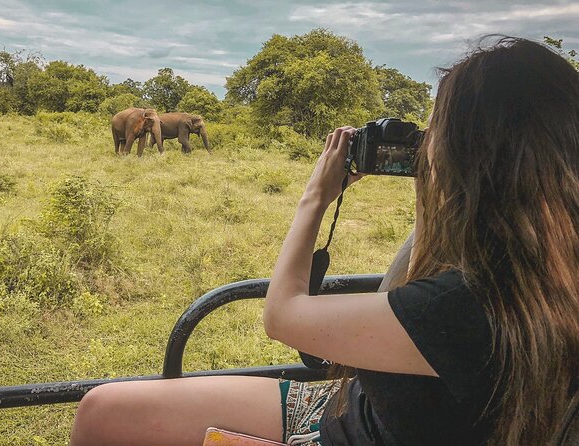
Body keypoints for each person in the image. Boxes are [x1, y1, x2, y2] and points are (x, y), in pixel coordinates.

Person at [69, 37, 579, 446]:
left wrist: (315, 198)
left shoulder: (462, 310)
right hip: (354, 402)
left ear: (471, 162)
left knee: (101, 414)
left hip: (336, 425)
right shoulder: (534, 275)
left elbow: (282, 315)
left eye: (437, 135)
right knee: (104, 407)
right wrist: (446, 195)